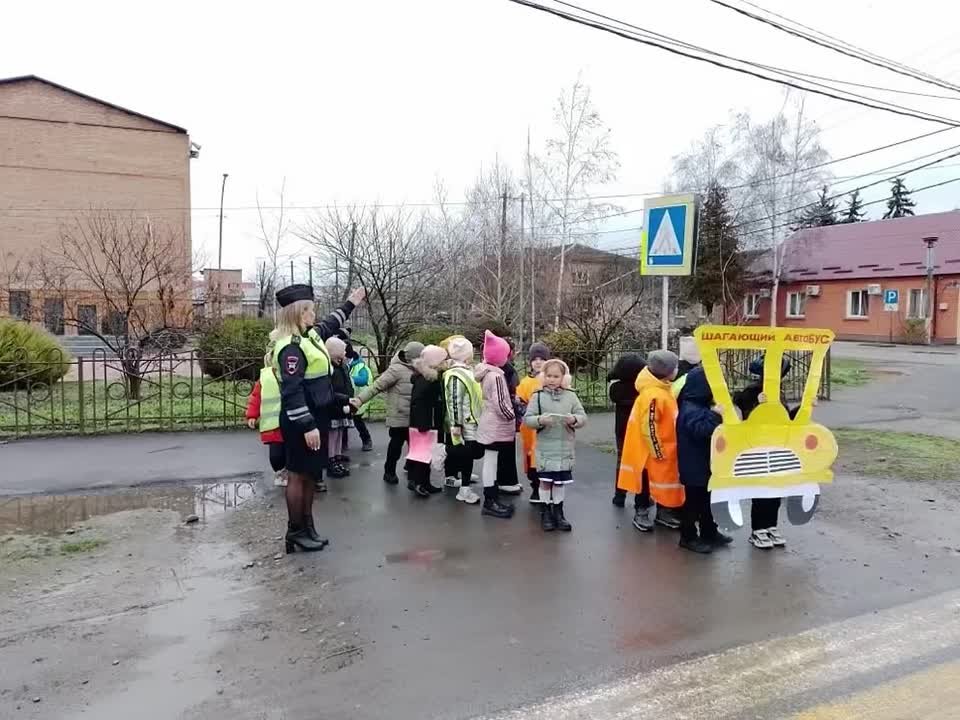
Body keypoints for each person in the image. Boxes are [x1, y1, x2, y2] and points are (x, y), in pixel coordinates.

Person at [271, 283, 365, 554]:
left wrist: (352, 302)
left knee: (312, 475)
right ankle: (295, 531)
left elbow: (331, 323)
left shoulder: (310, 336)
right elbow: (292, 391)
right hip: (303, 422)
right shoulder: (289, 347)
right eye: (310, 310)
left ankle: (308, 526)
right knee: (298, 476)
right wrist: (307, 425)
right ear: (300, 313)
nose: (315, 314)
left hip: (318, 417)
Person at [733, 356, 798, 550]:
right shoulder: (751, 392)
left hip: (777, 447)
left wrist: (803, 409)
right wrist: (758, 406)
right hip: (758, 449)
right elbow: (745, 420)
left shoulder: (778, 393)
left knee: (775, 491)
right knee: (761, 491)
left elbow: (785, 419)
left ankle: (771, 525)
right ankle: (758, 530)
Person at [617, 350, 684, 533]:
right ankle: (642, 511)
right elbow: (649, 425)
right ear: (667, 371)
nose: (677, 369)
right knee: (646, 482)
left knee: (661, 481)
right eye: (675, 367)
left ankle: (663, 512)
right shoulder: (653, 394)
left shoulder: (661, 389)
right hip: (651, 450)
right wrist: (657, 450)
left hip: (661, 447)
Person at [523, 358, 586, 532]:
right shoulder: (537, 396)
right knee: (545, 482)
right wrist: (539, 420)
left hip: (565, 448)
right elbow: (527, 419)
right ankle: (545, 512)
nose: (552, 379)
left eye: (556, 376)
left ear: (564, 378)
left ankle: (559, 512)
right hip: (545, 448)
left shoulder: (571, 396)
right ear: (543, 376)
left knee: (559, 483)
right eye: (549, 375)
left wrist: (574, 419)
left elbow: (582, 416)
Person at [676, 366, 734, 554]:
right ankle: (688, 536)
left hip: (704, 464)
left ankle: (709, 531)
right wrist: (716, 414)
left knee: (707, 501)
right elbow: (701, 431)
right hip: (694, 466)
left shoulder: (697, 405)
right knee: (693, 504)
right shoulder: (691, 409)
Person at [352, 341, 423, 485]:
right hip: (399, 416)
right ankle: (389, 471)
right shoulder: (396, 370)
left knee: (416, 445)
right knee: (396, 446)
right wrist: (359, 400)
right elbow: (376, 387)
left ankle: (412, 470)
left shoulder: (421, 369)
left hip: (416, 416)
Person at [475, 330, 518, 519]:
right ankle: (490, 501)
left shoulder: (486, 373)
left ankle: (491, 499)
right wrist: (513, 416)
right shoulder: (497, 377)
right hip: (496, 426)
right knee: (491, 463)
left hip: (488, 423)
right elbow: (502, 404)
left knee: (490, 463)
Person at [443, 336, 483, 504]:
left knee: (470, 454)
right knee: (467, 454)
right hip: (465, 422)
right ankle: (464, 490)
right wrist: (456, 425)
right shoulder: (456, 374)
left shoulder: (465, 371)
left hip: (471, 420)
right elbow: (454, 401)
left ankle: (464, 484)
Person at [407, 345, 448, 497]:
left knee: (425, 454)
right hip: (423, 422)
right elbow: (418, 403)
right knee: (421, 455)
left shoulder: (426, 376)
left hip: (424, 421)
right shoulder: (427, 380)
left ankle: (424, 482)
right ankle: (419, 483)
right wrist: (423, 423)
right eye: (443, 360)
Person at [607, 352, 647, 509]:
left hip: (622, 430)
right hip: (640, 430)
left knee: (622, 462)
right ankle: (642, 495)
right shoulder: (642, 389)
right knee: (643, 464)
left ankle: (619, 494)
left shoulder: (616, 389)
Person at [245, 349, 286, 487]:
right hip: (273, 425)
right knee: (276, 455)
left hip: (290, 422)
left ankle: (288, 473)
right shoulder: (265, 378)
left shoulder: (291, 374)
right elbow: (256, 397)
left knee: (291, 451)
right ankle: (279, 472)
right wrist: (252, 415)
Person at [517, 342, 551, 504]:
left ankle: (548, 488)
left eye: (541, 359)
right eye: (534, 359)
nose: (538, 362)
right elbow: (520, 402)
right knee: (531, 458)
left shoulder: (552, 381)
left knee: (546, 458)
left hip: (548, 429)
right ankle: (536, 488)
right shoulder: (525, 382)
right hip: (530, 429)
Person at [325, 336, 354, 480]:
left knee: (340, 431)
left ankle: (337, 456)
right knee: (333, 433)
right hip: (334, 405)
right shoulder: (330, 368)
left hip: (343, 404)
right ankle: (331, 460)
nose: (345, 353)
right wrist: (345, 398)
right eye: (342, 351)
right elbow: (329, 390)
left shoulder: (342, 366)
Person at [496, 344, 524, 496]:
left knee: (503, 449)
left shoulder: (501, 368)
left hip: (504, 414)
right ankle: (506, 480)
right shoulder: (506, 370)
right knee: (505, 448)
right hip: (506, 414)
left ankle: (508, 480)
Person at [347, 346, 374, 452]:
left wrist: (348, 378)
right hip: (351, 397)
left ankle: (367, 440)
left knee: (357, 420)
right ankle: (343, 444)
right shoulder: (349, 365)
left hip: (360, 398)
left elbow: (363, 380)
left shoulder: (361, 366)